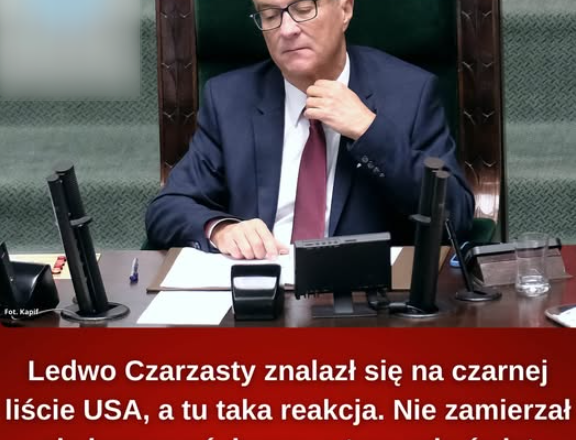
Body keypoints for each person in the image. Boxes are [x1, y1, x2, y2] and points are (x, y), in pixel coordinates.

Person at [145, 0, 474, 259]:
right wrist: (220, 230)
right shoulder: (230, 99)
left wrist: (369, 132)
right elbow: (168, 208)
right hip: (259, 293)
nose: (287, 29)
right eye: (270, 15)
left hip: (364, 298)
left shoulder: (410, 93)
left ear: (344, 10)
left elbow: (454, 216)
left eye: (303, 9)